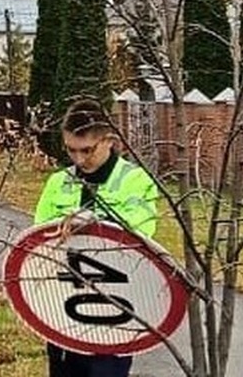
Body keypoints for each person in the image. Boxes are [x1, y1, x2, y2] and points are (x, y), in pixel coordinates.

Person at [33, 98, 159, 377]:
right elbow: (38, 237)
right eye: (71, 150)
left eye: (87, 150)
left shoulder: (135, 180)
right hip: (63, 306)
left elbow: (142, 231)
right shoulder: (58, 182)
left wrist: (96, 223)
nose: (78, 159)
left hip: (115, 309)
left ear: (108, 141)